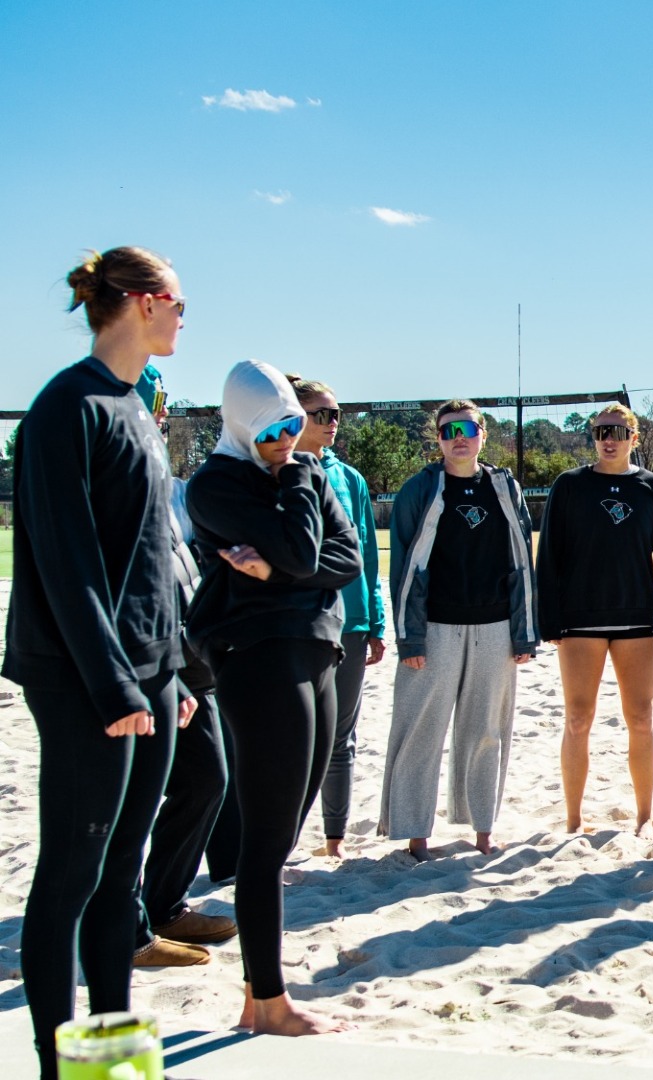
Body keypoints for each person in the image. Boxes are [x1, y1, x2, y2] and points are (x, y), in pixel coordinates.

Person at [5, 247, 192, 1078]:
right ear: (144, 304)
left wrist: (172, 669)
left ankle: (110, 1058)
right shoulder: (64, 409)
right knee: (72, 875)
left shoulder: (134, 408)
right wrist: (115, 682)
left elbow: (156, 558)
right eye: (180, 304)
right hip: (84, 677)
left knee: (123, 874)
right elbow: (64, 562)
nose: (185, 317)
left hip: (150, 672)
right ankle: (56, 1065)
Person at [185, 359, 360, 1036]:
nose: (287, 441)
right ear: (241, 428)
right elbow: (301, 543)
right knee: (264, 837)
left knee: (286, 832)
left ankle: (265, 998)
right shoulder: (218, 485)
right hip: (257, 657)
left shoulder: (310, 474)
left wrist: (284, 563)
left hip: (317, 645)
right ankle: (265, 1000)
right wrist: (292, 490)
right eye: (274, 432)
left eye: (295, 427)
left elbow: (341, 559)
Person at [381, 401, 538, 858]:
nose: (459, 437)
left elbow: (520, 562)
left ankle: (483, 830)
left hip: (493, 627)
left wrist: (523, 632)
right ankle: (415, 836)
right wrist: (409, 637)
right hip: (434, 628)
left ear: (483, 434)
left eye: (468, 428)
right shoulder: (421, 489)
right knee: (420, 731)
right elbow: (404, 571)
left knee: (487, 731)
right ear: (438, 439)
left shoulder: (504, 487)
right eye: (449, 430)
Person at [536, 401, 653, 836]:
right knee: (577, 719)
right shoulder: (569, 486)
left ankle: (643, 816)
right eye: (601, 430)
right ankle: (574, 819)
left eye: (618, 432)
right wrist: (548, 620)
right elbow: (549, 558)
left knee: (640, 718)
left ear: (633, 439)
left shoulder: (652, 488)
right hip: (579, 619)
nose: (608, 439)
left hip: (637, 619)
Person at [131, 366, 237, 967]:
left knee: (206, 779)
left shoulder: (170, 486)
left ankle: (166, 904)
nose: (162, 416)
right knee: (134, 802)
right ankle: (130, 929)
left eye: (164, 406)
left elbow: (184, 568)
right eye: (154, 404)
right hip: (149, 662)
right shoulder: (115, 477)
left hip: (187, 654)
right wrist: (160, 671)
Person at [284, 375, 386, 858]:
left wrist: (376, 623)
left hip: (351, 624)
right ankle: (279, 840)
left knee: (340, 739)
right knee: (291, 739)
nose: (331, 423)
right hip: (297, 624)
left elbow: (367, 552)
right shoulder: (273, 470)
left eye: (336, 414)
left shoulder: (350, 479)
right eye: (320, 414)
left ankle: (333, 840)